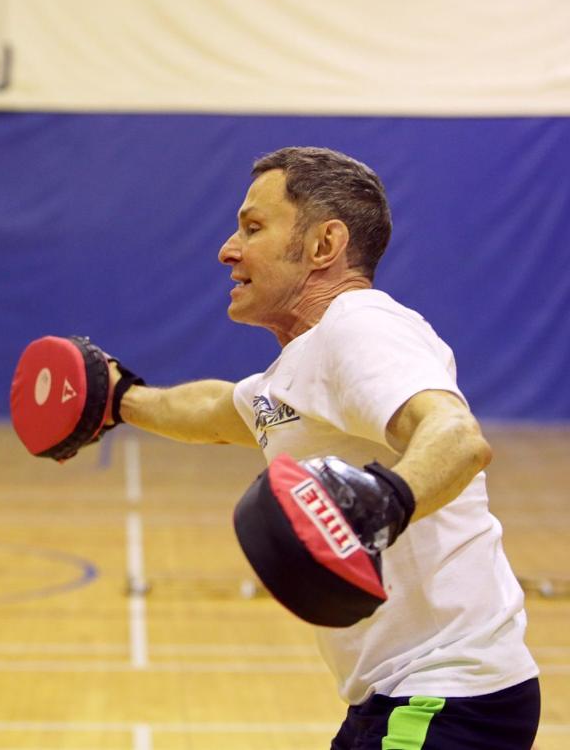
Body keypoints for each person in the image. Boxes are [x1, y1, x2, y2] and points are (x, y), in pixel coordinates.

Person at [112, 148, 539, 748]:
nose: (227, 249)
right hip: (398, 696)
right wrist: (118, 399)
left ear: (323, 245)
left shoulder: (360, 328)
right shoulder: (305, 363)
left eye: (253, 228)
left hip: (445, 695)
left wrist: (382, 501)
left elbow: (456, 435)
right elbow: (216, 410)